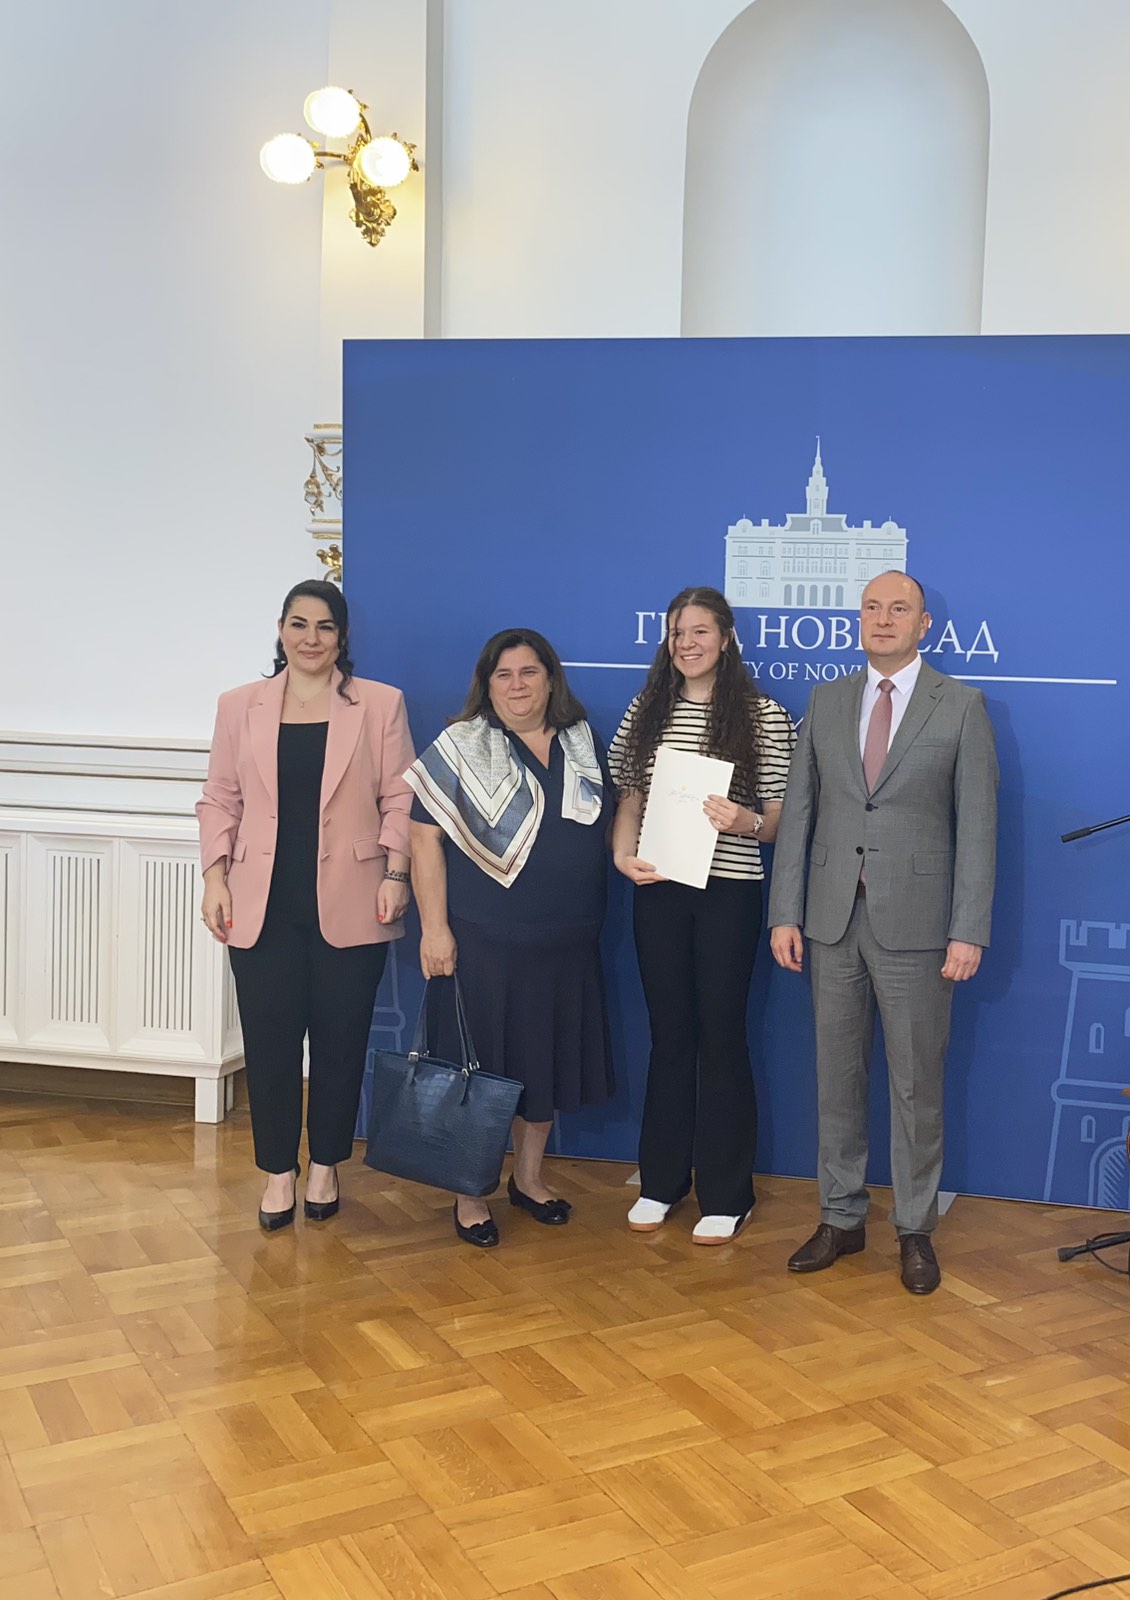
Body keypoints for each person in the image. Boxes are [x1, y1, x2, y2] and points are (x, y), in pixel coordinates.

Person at [768, 570, 998, 1294]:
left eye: (899, 609)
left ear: (924, 624)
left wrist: (968, 929)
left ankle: (915, 1228)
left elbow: (978, 829)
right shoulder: (827, 700)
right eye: (872, 607)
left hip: (921, 929)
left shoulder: (960, 706)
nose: (883, 619)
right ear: (859, 620)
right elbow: (800, 814)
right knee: (835, 1079)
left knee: (915, 1086)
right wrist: (785, 910)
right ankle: (840, 1218)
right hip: (831, 921)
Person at [197, 580, 415, 1231]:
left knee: (341, 1042)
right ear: (281, 629)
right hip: (260, 904)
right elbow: (220, 798)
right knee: (269, 1045)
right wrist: (214, 879)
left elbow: (401, 798)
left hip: (354, 898)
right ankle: (277, 1172)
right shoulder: (239, 705)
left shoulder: (380, 703)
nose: (311, 638)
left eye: (324, 626)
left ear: (342, 636)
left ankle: (325, 1165)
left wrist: (397, 872)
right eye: (299, 624)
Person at [407, 628, 615, 1248]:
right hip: (485, 943)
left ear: (550, 679)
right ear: (487, 684)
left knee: (543, 1066)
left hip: (567, 941)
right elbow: (423, 840)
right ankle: (471, 1193)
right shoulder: (460, 746)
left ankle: (528, 1179)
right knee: (481, 1072)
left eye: (529, 672)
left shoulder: (581, 741)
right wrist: (435, 929)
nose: (517, 685)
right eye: (504, 674)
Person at [609, 586, 796, 1245]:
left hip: (729, 892)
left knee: (721, 1035)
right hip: (658, 888)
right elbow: (629, 797)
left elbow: (780, 820)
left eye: (699, 631)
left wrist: (745, 821)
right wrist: (621, 855)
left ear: (726, 638)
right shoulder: (647, 710)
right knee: (668, 1036)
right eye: (677, 633)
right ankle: (661, 1182)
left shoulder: (763, 716)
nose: (687, 644)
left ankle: (727, 1192)